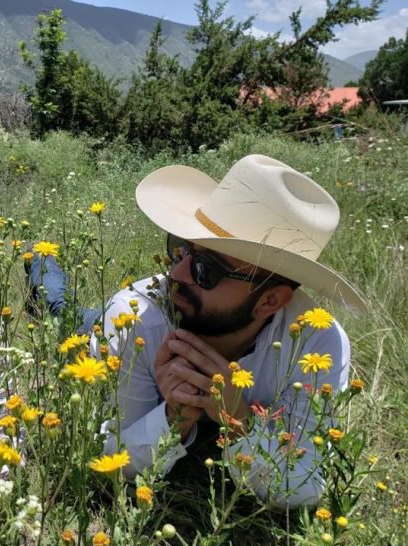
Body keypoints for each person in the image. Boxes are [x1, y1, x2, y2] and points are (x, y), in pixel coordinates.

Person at [34, 154, 364, 507]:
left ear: (270, 301)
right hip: (110, 326)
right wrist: (173, 420)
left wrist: (237, 419)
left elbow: (304, 485)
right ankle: (39, 262)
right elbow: (109, 454)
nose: (176, 274)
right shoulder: (137, 317)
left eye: (206, 268)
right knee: (62, 312)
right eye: (181, 250)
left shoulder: (317, 345)